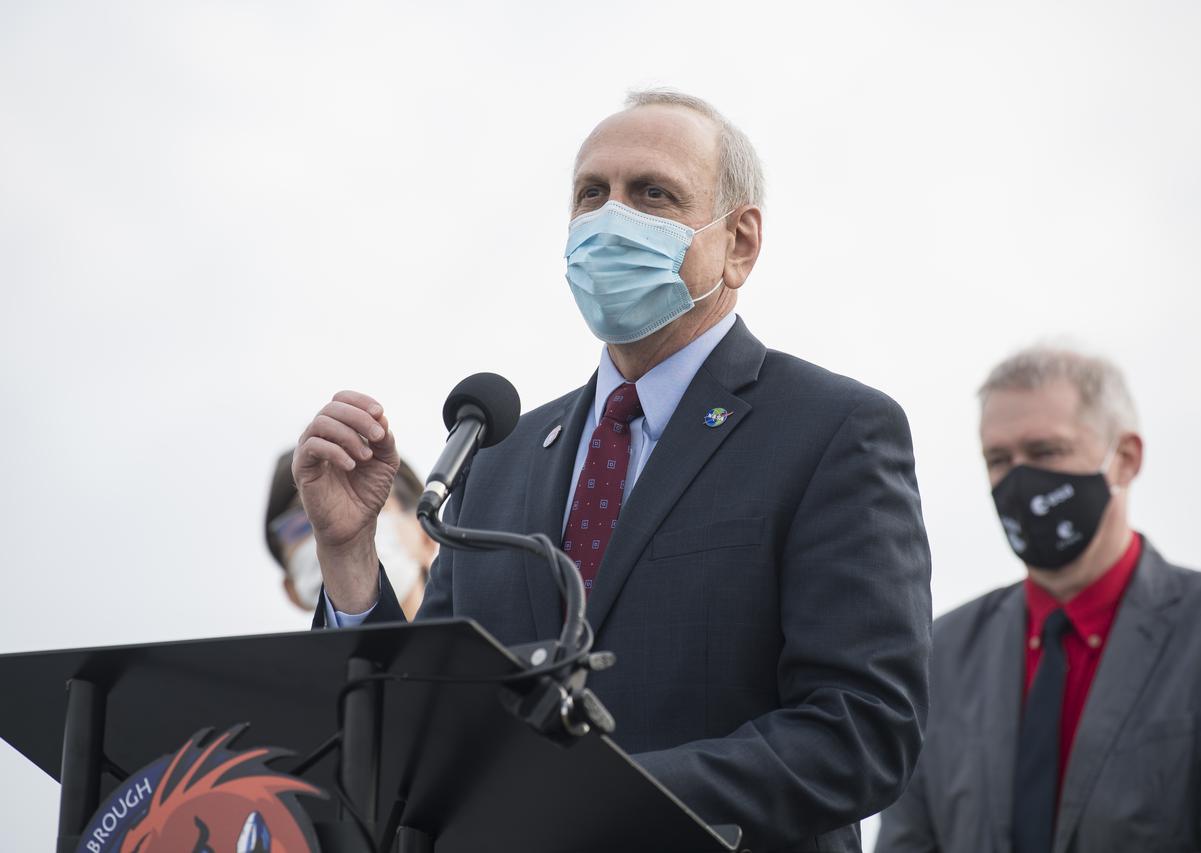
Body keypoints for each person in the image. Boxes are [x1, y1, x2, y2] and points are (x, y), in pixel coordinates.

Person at [292, 89, 933, 852]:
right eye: (591, 195)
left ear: (740, 241)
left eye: (651, 194)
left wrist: (601, 797)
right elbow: (420, 725)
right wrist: (347, 555)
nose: (609, 219)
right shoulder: (494, 456)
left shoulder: (830, 431)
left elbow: (862, 729)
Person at [876, 346, 1201, 853]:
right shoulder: (943, 652)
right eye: (998, 460)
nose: (1019, 480)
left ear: (1126, 459)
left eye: (1046, 451)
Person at [264, 449, 436, 619]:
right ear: (292, 590)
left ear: (426, 537)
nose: (336, 527)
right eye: (300, 525)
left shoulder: (462, 643)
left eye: (366, 499)